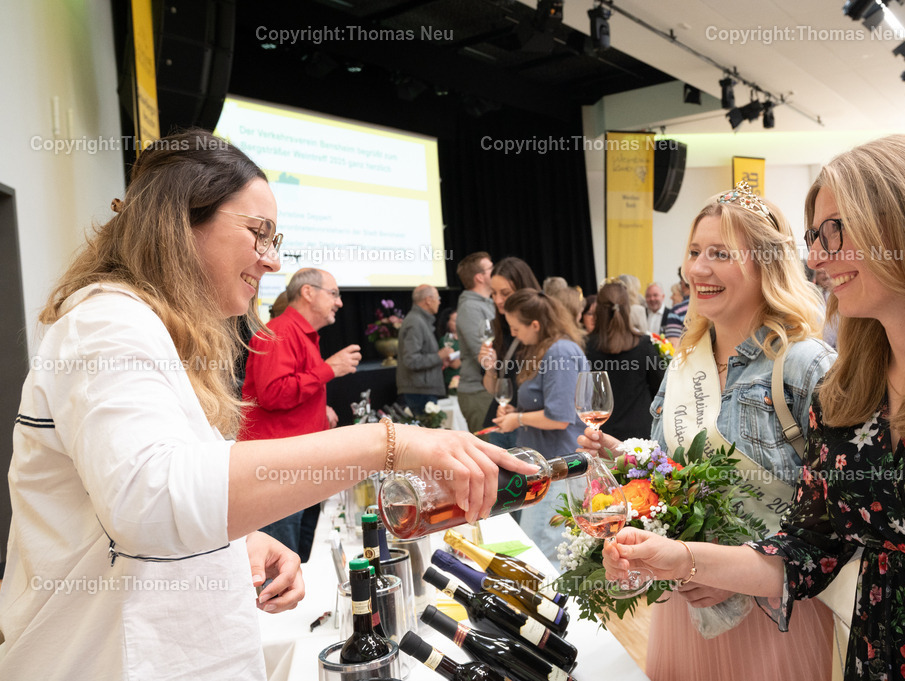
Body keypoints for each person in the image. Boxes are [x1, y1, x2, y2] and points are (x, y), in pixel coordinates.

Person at [0, 130, 535, 680]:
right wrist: (387, 443)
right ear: (178, 221)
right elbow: (150, 500)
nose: (273, 261)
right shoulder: (108, 322)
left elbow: (147, 491)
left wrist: (237, 541)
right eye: (259, 234)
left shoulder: (150, 331)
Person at [602, 136, 905, 680]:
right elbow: (807, 550)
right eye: (814, 237)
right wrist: (679, 557)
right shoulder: (847, 390)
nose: (818, 258)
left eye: (835, 231)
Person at [581, 181, 837, 681]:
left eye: (721, 253)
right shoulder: (682, 363)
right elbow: (671, 481)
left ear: (766, 265)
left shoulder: (805, 365)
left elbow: (834, 520)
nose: (698, 269)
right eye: (695, 252)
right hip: (685, 609)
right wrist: (625, 459)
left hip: (773, 617)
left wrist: (737, 573)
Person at [240, 267, 361, 558]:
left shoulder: (301, 335)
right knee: (279, 565)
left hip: (298, 466)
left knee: (298, 558)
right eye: (334, 294)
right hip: (279, 470)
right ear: (308, 292)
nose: (339, 302)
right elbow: (273, 393)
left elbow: (290, 390)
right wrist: (328, 369)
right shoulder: (281, 332)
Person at [492, 288, 587, 561]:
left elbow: (560, 418)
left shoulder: (560, 352)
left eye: (516, 328)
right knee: (538, 548)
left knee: (546, 553)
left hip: (557, 467)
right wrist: (516, 413)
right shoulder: (549, 349)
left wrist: (518, 419)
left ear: (535, 324)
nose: (514, 334)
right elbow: (547, 407)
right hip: (544, 468)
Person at [585, 280, 665, 441]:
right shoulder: (643, 345)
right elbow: (660, 388)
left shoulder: (586, 347)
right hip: (640, 436)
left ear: (598, 310)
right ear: (627, 308)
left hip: (600, 432)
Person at [479, 257, 541, 450]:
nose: (498, 300)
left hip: (532, 428)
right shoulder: (497, 327)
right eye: (493, 293)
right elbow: (493, 389)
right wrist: (490, 369)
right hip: (501, 422)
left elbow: (557, 407)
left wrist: (520, 416)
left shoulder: (542, 333)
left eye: (505, 293)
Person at [455, 251, 495, 433]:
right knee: (488, 449)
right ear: (479, 277)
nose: (496, 272)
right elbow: (483, 354)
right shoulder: (470, 308)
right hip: (478, 392)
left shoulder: (487, 303)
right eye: (491, 268)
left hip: (487, 389)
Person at [397, 284, 453, 413]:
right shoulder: (415, 322)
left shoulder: (419, 320)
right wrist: (439, 356)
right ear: (428, 300)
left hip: (421, 389)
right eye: (438, 298)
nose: (439, 302)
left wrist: (439, 361)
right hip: (419, 391)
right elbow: (411, 360)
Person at [435, 307, 461, 395]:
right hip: (451, 382)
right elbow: (455, 364)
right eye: (455, 320)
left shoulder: (465, 339)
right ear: (447, 323)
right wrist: (470, 355)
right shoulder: (445, 340)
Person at [661, 274, 690, 343]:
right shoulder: (707, 307)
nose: (671, 297)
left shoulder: (676, 312)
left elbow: (673, 344)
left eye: (674, 294)